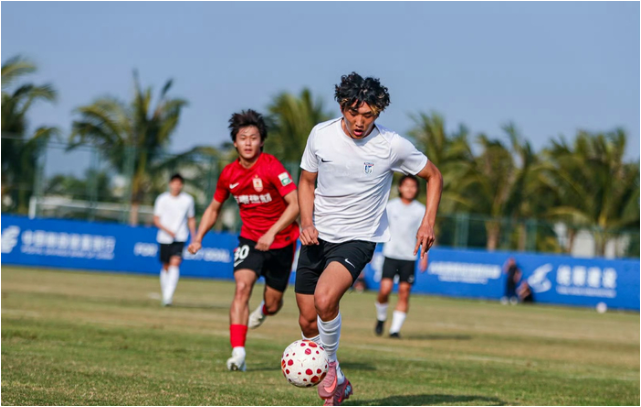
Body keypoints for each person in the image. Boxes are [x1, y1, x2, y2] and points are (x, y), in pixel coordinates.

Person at [295, 72, 442, 406]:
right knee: (306, 319)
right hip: (317, 236)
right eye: (354, 113)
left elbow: (434, 176)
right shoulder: (320, 135)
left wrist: (428, 222)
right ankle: (339, 379)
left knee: (324, 299)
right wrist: (306, 221)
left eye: (369, 115)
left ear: (378, 113)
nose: (360, 122)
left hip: (359, 237)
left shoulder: (392, 145)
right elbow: (306, 181)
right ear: (342, 107)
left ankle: (329, 370)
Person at [187, 109, 299, 372]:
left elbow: (295, 204)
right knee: (241, 288)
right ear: (235, 143)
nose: (248, 143)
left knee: (274, 303)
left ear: (262, 141)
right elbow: (214, 208)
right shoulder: (229, 174)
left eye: (253, 138)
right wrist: (198, 237)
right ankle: (238, 354)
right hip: (250, 240)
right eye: (243, 138)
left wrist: (272, 232)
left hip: (282, 242)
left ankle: (264, 310)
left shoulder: (272, 167)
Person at [374, 174, 428, 339]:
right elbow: (378, 227)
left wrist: (424, 255)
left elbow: (424, 234)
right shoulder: (390, 206)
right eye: (407, 185)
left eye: (413, 186)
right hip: (391, 254)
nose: (410, 189)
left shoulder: (421, 210)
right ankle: (381, 318)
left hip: (409, 257)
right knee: (385, 290)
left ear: (417, 189)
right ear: (400, 187)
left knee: (404, 292)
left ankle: (394, 330)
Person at [153, 173, 196, 307]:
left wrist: (194, 238)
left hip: (180, 236)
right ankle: (165, 293)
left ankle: (168, 297)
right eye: (174, 183)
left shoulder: (188, 200)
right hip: (164, 237)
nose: (176, 186)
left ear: (182, 185)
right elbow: (156, 219)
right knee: (166, 266)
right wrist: (167, 230)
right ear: (170, 184)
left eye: (179, 184)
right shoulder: (162, 199)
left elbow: (191, 219)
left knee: (175, 263)